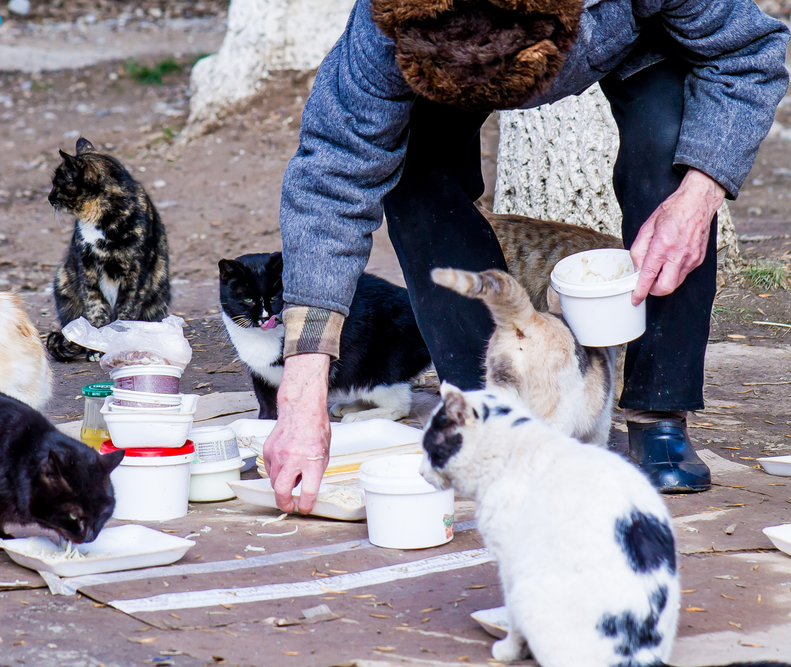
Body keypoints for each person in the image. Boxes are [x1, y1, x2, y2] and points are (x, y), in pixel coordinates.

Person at [264, 0, 790, 513]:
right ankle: (489, 410)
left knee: (669, 148)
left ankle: (659, 412)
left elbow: (750, 53)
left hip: (634, 37)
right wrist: (302, 395)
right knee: (415, 173)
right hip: (444, 66)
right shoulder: (383, 30)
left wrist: (701, 193)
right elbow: (330, 180)